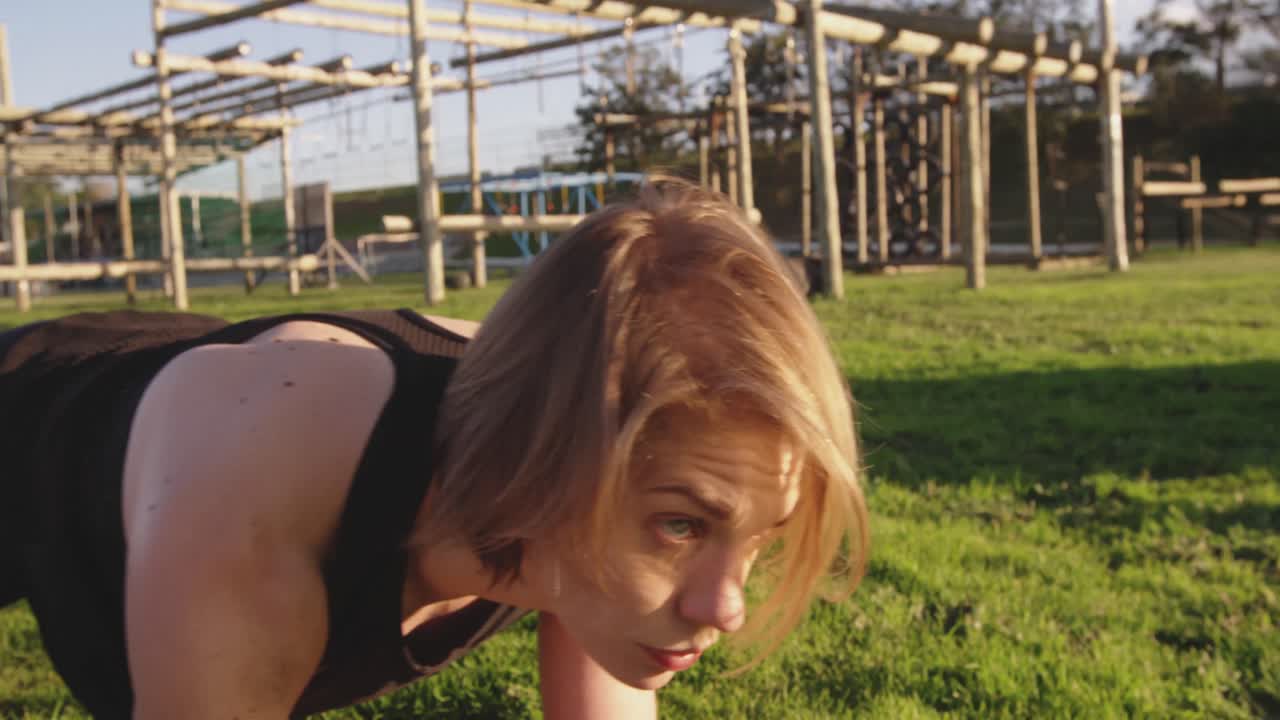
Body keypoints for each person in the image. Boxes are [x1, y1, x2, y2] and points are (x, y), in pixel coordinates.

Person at [0, 179, 868, 719]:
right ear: (545, 457)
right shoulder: (256, 498)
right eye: (682, 527)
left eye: (756, 538)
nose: (728, 609)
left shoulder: (582, 461)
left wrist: (670, 531)